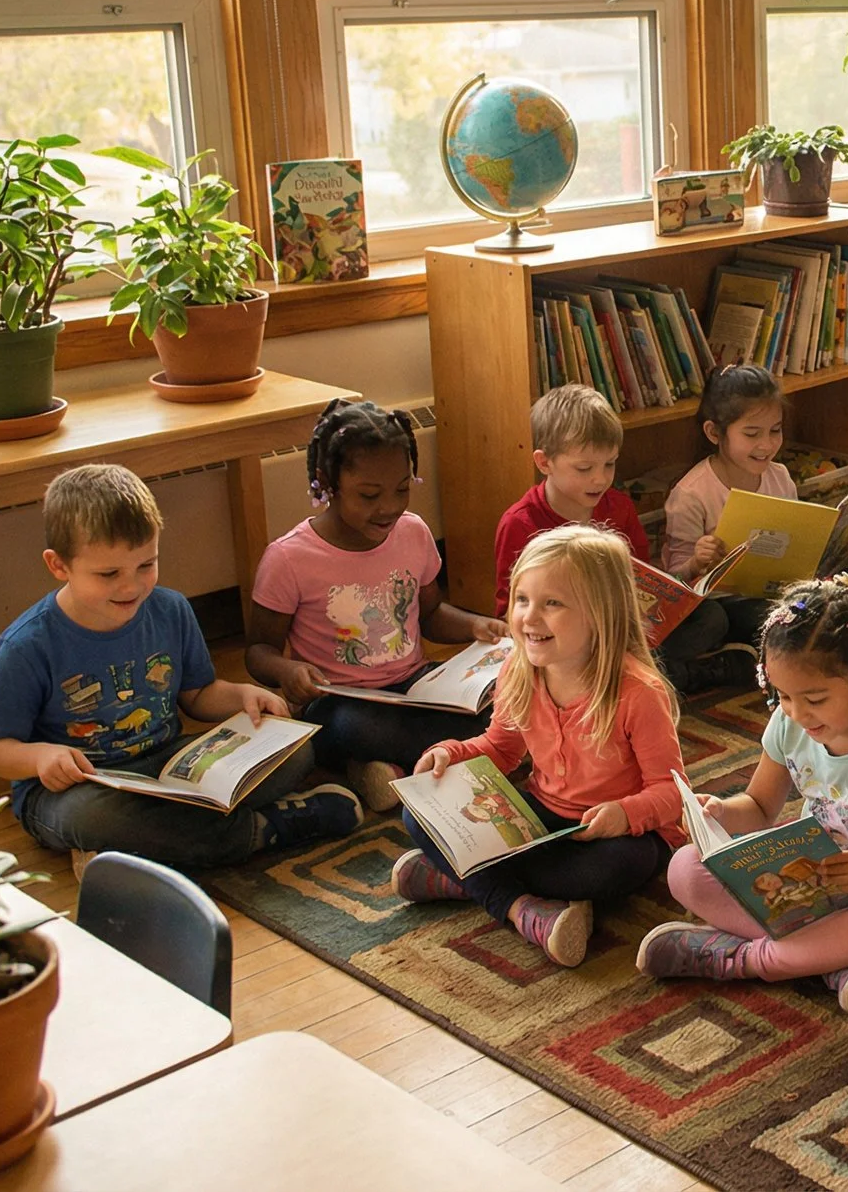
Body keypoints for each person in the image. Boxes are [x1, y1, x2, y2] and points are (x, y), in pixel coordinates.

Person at [0, 464, 357, 868]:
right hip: (81, 787)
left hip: (169, 765)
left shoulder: (170, 609)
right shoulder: (28, 644)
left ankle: (130, 849)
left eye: (146, 565)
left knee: (297, 750)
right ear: (58, 565)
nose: (132, 586)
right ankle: (261, 829)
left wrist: (245, 696)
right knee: (92, 817)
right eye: (109, 574)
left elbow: (198, 695)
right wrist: (39, 758)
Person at [636, 579, 848, 1020]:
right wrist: (721, 812)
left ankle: (740, 959)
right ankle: (832, 962)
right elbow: (761, 807)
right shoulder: (789, 725)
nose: (799, 714)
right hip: (807, 887)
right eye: (782, 696)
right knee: (685, 868)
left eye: (816, 699)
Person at [389, 525, 686, 967]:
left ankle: (462, 878)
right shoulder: (517, 668)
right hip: (540, 818)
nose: (529, 616)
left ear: (600, 614)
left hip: (616, 836)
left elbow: (671, 791)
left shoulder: (638, 692)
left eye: (552, 603)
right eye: (523, 599)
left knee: (617, 869)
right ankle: (522, 908)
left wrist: (624, 814)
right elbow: (501, 749)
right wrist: (451, 754)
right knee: (418, 812)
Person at [247, 398, 508, 813]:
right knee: (349, 728)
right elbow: (258, 653)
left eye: (402, 489)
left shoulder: (413, 533)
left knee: (504, 699)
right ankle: (453, 757)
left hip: (417, 689)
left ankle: (386, 769)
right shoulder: (289, 559)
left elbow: (432, 614)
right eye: (369, 495)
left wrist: (478, 627)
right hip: (341, 702)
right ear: (325, 482)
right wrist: (288, 670)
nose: (388, 507)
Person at [493, 383, 754, 692]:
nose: (600, 478)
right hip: (564, 642)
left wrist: (681, 580)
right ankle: (677, 677)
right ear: (544, 462)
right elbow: (508, 612)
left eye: (610, 464)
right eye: (584, 468)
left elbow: (642, 579)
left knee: (711, 618)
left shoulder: (618, 506)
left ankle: (643, 678)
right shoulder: (520, 523)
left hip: (623, 631)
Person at [660, 364, 791, 660]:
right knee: (715, 621)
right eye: (752, 434)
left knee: (808, 606)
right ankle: (703, 664)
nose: (767, 444)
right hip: (715, 604)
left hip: (766, 595)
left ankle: (738, 653)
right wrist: (696, 561)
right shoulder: (691, 493)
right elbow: (670, 580)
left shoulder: (780, 477)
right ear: (714, 433)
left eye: (775, 430)